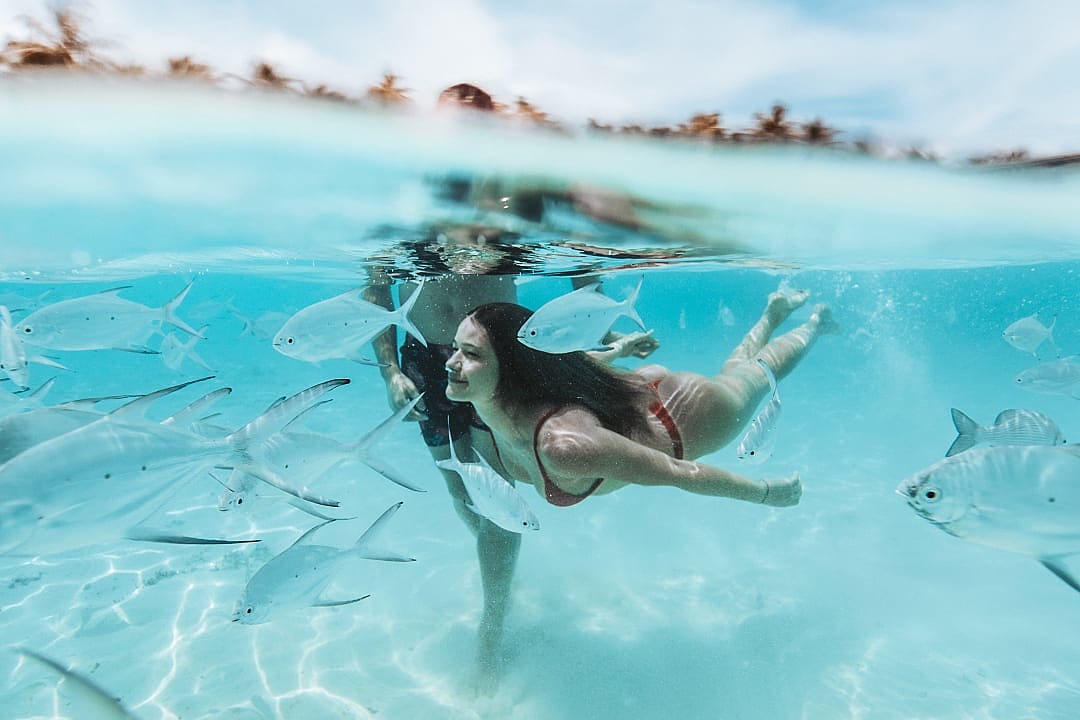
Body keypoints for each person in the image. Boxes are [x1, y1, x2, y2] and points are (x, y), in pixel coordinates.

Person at [364, 83, 660, 694]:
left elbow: (580, 259)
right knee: (461, 492)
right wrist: (391, 370)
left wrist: (603, 319)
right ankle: (498, 571)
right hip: (426, 364)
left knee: (495, 500)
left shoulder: (513, 204)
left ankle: (492, 630)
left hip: (498, 361)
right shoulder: (407, 205)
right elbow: (374, 294)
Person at [444, 290, 838, 509]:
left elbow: (677, 472)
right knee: (737, 373)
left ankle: (816, 324)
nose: (450, 362)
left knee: (756, 374)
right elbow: (562, 365)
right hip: (636, 393)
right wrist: (619, 350)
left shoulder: (562, 447)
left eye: (470, 353)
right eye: (456, 347)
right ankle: (773, 312)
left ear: (512, 368)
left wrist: (766, 493)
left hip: (685, 417)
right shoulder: (498, 406)